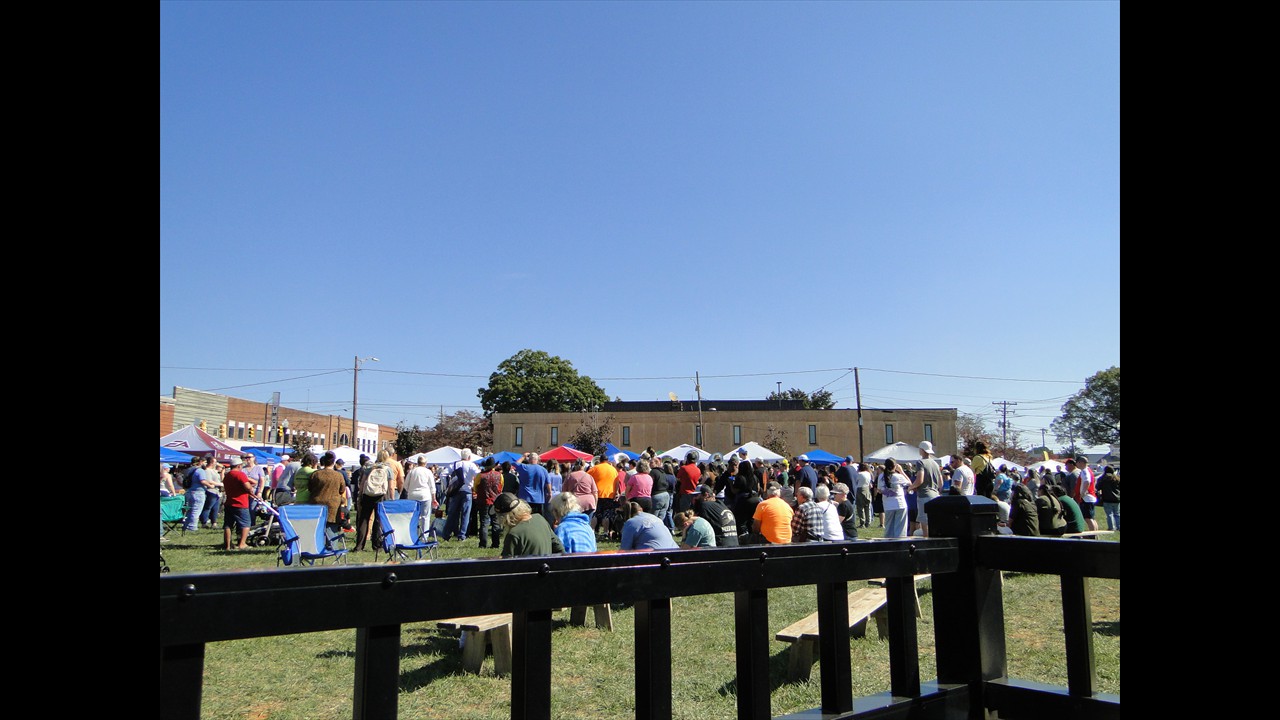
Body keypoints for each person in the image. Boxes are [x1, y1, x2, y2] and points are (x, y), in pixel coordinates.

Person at [493, 492, 564, 558]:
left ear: (504, 516)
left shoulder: (514, 534)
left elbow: (505, 566)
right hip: (546, 569)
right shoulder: (540, 519)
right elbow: (559, 548)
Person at [355, 450, 396, 551]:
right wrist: (392, 498)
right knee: (378, 521)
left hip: (368, 494)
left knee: (364, 520)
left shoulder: (369, 467)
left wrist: (360, 495)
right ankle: (377, 545)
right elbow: (391, 487)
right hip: (381, 495)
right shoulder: (388, 469)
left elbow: (362, 482)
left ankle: (359, 545)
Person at [442, 448, 480, 541]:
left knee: (452, 513)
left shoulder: (455, 464)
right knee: (465, 513)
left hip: (456, 491)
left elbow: (443, 474)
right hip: (467, 490)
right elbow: (478, 476)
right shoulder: (472, 465)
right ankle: (462, 535)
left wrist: (447, 486)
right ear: (469, 456)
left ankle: (446, 534)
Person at [221, 456, 257, 550]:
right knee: (246, 523)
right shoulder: (240, 475)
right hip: (240, 503)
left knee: (228, 525)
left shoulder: (227, 475)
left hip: (229, 502)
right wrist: (250, 488)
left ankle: (227, 545)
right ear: (239, 466)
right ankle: (242, 544)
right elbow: (248, 487)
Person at [309, 452, 349, 534]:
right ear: (333, 463)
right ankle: (331, 546)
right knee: (331, 534)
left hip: (317, 505)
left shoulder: (316, 474)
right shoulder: (338, 475)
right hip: (333, 506)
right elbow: (342, 489)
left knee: (317, 532)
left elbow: (310, 488)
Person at [911, 442, 943, 537]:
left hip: (924, 495)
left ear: (922, 450)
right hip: (936, 495)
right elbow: (941, 482)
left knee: (925, 524)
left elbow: (919, 480)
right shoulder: (935, 463)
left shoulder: (920, 462)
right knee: (934, 521)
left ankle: (927, 543)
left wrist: (911, 487)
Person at [588, 454, 622, 540]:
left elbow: (586, 477)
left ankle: (592, 531)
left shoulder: (595, 468)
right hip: (609, 494)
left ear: (600, 460)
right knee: (606, 514)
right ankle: (606, 532)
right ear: (607, 460)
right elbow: (617, 482)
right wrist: (615, 492)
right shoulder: (613, 470)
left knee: (595, 514)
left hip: (597, 494)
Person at [474, 458, 504, 549]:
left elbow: (475, 487)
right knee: (495, 523)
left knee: (484, 522)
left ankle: (483, 543)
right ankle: (495, 543)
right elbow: (501, 487)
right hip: (495, 501)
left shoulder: (480, 475)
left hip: (483, 501)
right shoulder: (500, 476)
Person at [877, 458, 912, 538]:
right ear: (895, 466)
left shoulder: (881, 476)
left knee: (889, 529)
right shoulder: (898, 476)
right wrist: (901, 471)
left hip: (888, 505)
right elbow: (909, 483)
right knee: (900, 530)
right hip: (900, 504)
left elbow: (879, 490)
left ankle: (888, 546)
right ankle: (899, 546)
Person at [404, 457, 437, 537]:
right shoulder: (428, 472)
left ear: (417, 462)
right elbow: (432, 487)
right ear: (425, 463)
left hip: (413, 495)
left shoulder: (412, 471)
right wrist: (434, 498)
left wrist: (410, 490)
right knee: (425, 517)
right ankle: (424, 537)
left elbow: (405, 485)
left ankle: (413, 535)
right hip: (425, 495)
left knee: (413, 516)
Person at [515, 452, 550, 517]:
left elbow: (515, 464)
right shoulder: (544, 470)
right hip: (539, 499)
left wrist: (523, 456)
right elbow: (548, 483)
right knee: (538, 518)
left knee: (525, 518)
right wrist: (550, 493)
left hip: (525, 498)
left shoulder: (524, 467)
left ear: (529, 459)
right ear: (537, 460)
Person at [1070, 457, 1100, 531]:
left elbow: (1087, 481)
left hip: (1086, 498)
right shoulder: (1089, 470)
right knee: (1091, 518)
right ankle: (1095, 534)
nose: (1076, 464)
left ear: (1081, 462)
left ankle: (1092, 535)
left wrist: (1083, 492)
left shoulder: (1084, 471)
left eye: (1077, 462)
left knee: (1087, 518)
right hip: (1090, 497)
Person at [182, 457, 212, 532]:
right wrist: (210, 485)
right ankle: (192, 527)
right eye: (205, 462)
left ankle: (186, 525)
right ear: (200, 462)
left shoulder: (189, 470)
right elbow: (203, 481)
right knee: (196, 510)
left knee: (190, 510)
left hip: (189, 491)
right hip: (198, 492)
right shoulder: (200, 470)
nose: (206, 464)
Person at [1096, 465, 1120, 531]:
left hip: (1107, 498)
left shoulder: (1102, 479)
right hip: (1117, 499)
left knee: (1109, 514)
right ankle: (1119, 526)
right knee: (1117, 514)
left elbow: (1097, 487)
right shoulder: (1117, 479)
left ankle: (1111, 527)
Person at [854, 463, 873, 528]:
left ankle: (862, 522)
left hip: (860, 489)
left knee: (860, 507)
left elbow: (856, 481)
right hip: (867, 489)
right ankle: (868, 521)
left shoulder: (859, 474)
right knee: (867, 506)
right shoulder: (868, 473)